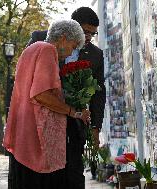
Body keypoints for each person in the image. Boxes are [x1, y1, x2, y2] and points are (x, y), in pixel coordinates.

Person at [3, 19, 91, 189]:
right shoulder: (48, 50)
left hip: (24, 134)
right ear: (64, 38)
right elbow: (41, 94)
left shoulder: (31, 49)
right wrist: (73, 112)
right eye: (73, 46)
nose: (71, 52)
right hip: (37, 136)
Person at [27, 7, 106, 187]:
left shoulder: (95, 54)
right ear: (72, 26)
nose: (88, 37)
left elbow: (99, 93)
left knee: (74, 173)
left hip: (73, 122)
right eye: (85, 31)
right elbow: (26, 78)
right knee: (46, 175)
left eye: (92, 34)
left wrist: (95, 127)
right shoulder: (41, 39)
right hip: (42, 120)